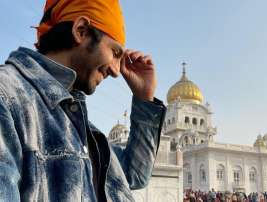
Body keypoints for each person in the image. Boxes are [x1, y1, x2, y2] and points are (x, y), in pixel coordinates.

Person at [0, 0, 166, 201]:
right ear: (81, 30)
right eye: (114, 53)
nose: (116, 70)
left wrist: (144, 98)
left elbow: (134, 175)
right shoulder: (8, 97)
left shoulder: (80, 125)